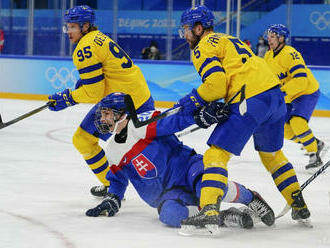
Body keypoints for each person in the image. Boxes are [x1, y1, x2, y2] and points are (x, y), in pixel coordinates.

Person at [176, 5, 310, 232]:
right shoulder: (228, 38)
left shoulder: (201, 48)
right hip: (275, 97)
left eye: (187, 29)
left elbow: (216, 85)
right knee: (273, 155)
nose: (185, 35)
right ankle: (298, 203)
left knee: (216, 153)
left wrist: (191, 100)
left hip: (250, 99)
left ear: (199, 29)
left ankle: (209, 210)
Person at [85, 92, 275, 231]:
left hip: (188, 168)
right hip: (169, 194)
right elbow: (117, 180)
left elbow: (173, 121)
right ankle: (225, 217)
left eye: (107, 114)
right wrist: (113, 199)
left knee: (206, 185)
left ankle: (251, 197)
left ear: (122, 114)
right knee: (169, 216)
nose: (102, 119)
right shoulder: (112, 150)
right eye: (102, 114)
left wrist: (196, 117)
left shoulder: (141, 123)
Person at [47, 5, 154, 197]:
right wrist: (85, 83)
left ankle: (112, 185)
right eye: (67, 26)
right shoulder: (99, 37)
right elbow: (104, 76)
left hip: (125, 103)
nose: (68, 31)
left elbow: (93, 93)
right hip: (139, 97)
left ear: (85, 26)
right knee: (139, 147)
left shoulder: (84, 48)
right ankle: (113, 185)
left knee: (85, 140)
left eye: (73, 26)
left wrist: (67, 98)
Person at [264, 24, 328, 171]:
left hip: (305, 92)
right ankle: (315, 143)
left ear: (282, 39)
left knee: (297, 122)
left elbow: (301, 80)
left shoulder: (290, 54)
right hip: (289, 96)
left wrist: (280, 93)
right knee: (284, 130)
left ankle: (314, 155)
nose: (269, 39)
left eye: (273, 36)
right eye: (269, 36)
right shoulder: (268, 56)